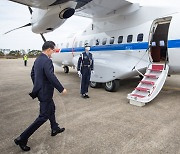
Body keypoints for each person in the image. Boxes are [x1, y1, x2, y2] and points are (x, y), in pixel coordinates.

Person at [14, 41, 67, 151]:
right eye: (53, 50)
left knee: (52, 108)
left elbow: (32, 74)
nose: (53, 52)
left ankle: (54, 128)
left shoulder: (38, 59)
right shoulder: (47, 61)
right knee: (43, 117)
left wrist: (38, 85)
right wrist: (61, 89)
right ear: (48, 49)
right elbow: (51, 76)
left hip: (41, 91)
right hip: (45, 93)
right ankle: (22, 138)